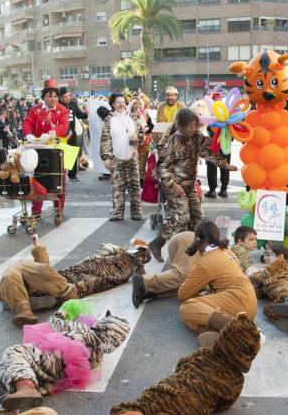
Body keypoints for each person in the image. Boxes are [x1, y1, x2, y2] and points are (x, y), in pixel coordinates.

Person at [84, 314, 262, 415]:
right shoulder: (235, 380)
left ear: (223, 337)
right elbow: (225, 405)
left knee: (147, 402)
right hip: (192, 408)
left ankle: (128, 413)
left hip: (173, 385)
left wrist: (183, 375)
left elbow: (182, 363)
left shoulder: (205, 353)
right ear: (248, 354)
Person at [0, 307, 130, 415]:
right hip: (59, 374)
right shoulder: (99, 353)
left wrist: (62, 312)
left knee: (16, 352)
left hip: (52, 357)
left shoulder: (86, 330)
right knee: (4, 380)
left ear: (104, 326)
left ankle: (26, 387)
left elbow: (55, 322)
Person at [0, 234, 150, 327]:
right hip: (69, 283)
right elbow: (43, 270)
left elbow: (105, 246)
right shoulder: (127, 267)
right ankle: (23, 303)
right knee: (15, 275)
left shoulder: (120, 257)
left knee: (12, 272)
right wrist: (38, 247)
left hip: (68, 280)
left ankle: (21, 306)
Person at [147, 109, 237, 262]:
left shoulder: (196, 136)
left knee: (198, 217)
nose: (193, 129)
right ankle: (157, 243)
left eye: (195, 125)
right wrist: (173, 184)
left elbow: (207, 152)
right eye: (189, 126)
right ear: (180, 126)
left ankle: (198, 248)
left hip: (189, 183)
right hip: (174, 185)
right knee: (182, 217)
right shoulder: (173, 141)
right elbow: (162, 167)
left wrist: (225, 165)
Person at [176, 220, 257, 347]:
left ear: (198, 240)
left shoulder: (206, 261)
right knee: (202, 315)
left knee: (187, 308)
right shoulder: (227, 251)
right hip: (249, 303)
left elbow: (183, 294)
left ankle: (241, 330)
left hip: (238, 303)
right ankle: (210, 335)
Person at [22, 79, 69, 219]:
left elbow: (63, 127)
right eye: (50, 96)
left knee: (59, 180)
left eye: (55, 96)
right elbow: (27, 122)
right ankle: (36, 211)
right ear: (44, 97)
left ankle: (58, 209)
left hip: (57, 149)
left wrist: (48, 135)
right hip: (38, 149)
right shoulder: (35, 110)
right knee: (37, 179)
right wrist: (29, 134)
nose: (53, 99)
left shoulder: (63, 110)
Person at [101, 92, 144, 221]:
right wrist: (106, 157)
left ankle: (136, 211)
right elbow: (105, 139)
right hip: (116, 156)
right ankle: (117, 212)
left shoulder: (133, 117)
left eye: (123, 102)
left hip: (132, 155)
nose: (121, 104)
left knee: (135, 185)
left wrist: (138, 139)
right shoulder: (109, 119)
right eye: (118, 102)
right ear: (113, 104)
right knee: (117, 186)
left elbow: (141, 135)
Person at [130, 231, 196, 308]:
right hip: (190, 240)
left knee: (188, 285)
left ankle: (150, 291)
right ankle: (142, 282)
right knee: (184, 275)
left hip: (188, 240)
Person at [59, 87, 89, 182]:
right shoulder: (57, 106)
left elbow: (80, 114)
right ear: (60, 98)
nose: (67, 98)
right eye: (65, 97)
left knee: (72, 154)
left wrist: (86, 114)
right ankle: (59, 175)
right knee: (59, 155)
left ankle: (72, 175)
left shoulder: (72, 104)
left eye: (68, 95)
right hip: (61, 134)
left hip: (72, 133)